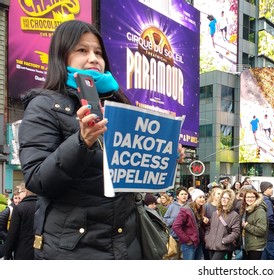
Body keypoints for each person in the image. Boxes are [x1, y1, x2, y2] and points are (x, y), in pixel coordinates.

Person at [17, 20, 141, 259]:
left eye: (98, 52)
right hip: (73, 250)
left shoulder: (119, 104)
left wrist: (163, 153)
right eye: (82, 50)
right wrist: (81, 142)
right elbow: (36, 179)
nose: (94, 58)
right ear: (62, 57)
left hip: (126, 245)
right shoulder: (43, 105)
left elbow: (132, 178)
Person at [172, 188, 209, 260]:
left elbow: (199, 226)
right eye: (200, 197)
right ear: (195, 198)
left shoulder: (202, 209)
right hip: (189, 244)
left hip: (199, 242)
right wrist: (187, 240)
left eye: (203, 197)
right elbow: (176, 226)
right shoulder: (186, 209)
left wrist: (205, 222)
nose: (202, 199)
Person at [3, 185, 38, 260]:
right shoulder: (42, 207)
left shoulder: (19, 208)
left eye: (19, 192)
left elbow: (13, 233)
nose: (18, 195)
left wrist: (7, 253)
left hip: (22, 251)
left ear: (25, 193)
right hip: (40, 251)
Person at [204, 189, 241, 260]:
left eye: (227, 198)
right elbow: (209, 228)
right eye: (223, 197)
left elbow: (236, 232)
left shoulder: (234, 215)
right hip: (211, 244)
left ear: (231, 200)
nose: (224, 200)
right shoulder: (215, 213)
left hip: (223, 246)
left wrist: (224, 241)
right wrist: (207, 238)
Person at [240, 188, 267, 260]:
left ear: (256, 198)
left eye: (252, 197)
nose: (250, 199)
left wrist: (247, 226)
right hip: (247, 245)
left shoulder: (260, 211)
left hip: (256, 247)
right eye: (248, 197)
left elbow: (261, 230)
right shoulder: (247, 209)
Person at [163, 187, 190, 259]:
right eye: (182, 194)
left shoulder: (190, 206)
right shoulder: (172, 206)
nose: (184, 196)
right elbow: (165, 220)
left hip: (186, 239)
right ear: (177, 196)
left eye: (185, 194)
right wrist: (175, 220)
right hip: (174, 238)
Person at [260, 181, 274, 260]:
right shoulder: (267, 202)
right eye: (270, 188)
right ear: (264, 189)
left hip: (264, 234)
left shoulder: (262, 200)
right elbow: (270, 218)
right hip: (270, 234)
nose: (272, 190)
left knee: (265, 257)